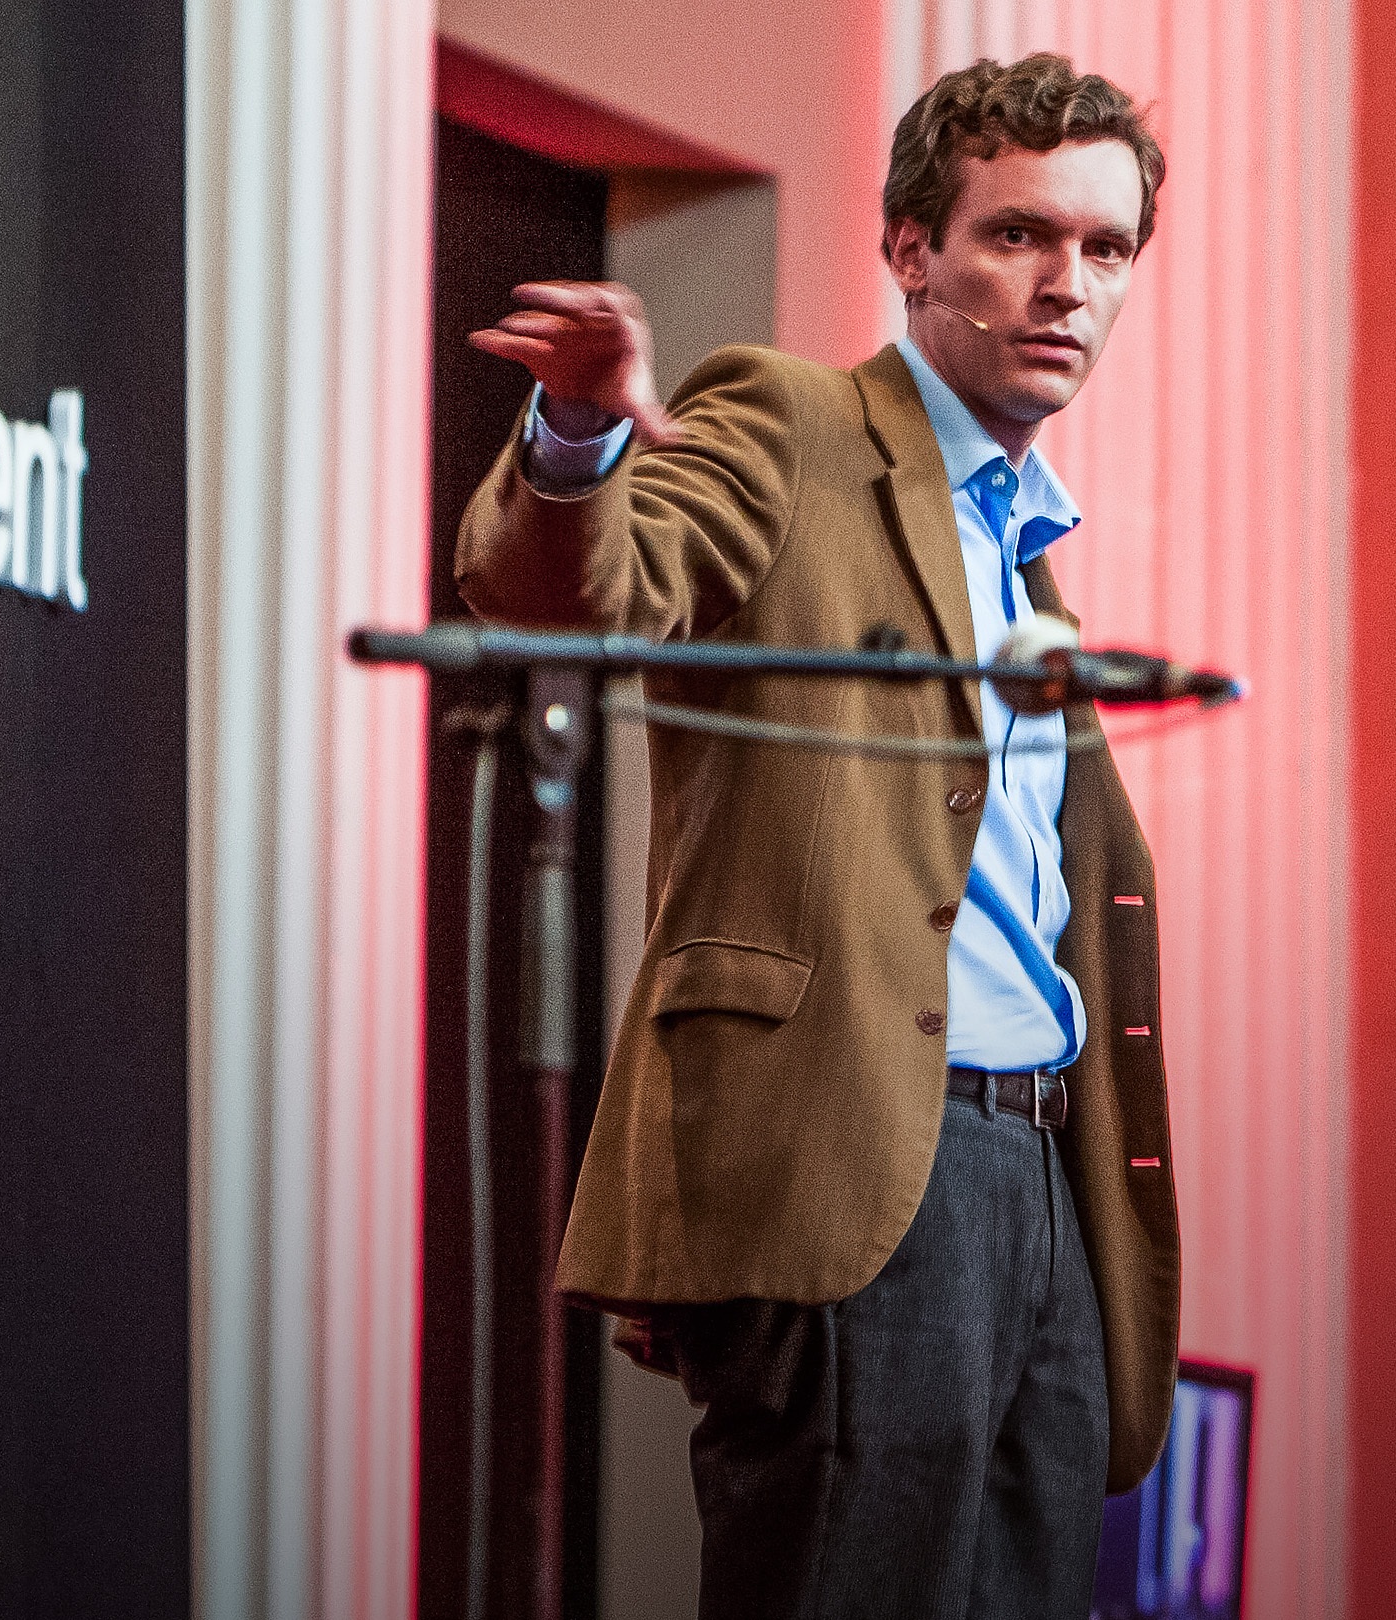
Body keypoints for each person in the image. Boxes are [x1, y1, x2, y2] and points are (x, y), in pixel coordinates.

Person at [454, 54, 1181, 1620]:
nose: (1067, 286)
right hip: (869, 1156)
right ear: (914, 249)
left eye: (1106, 251)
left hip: (1047, 1180)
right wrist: (579, 439)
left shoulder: (1030, 563)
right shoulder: (791, 420)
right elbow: (571, 586)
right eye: (1020, 237)